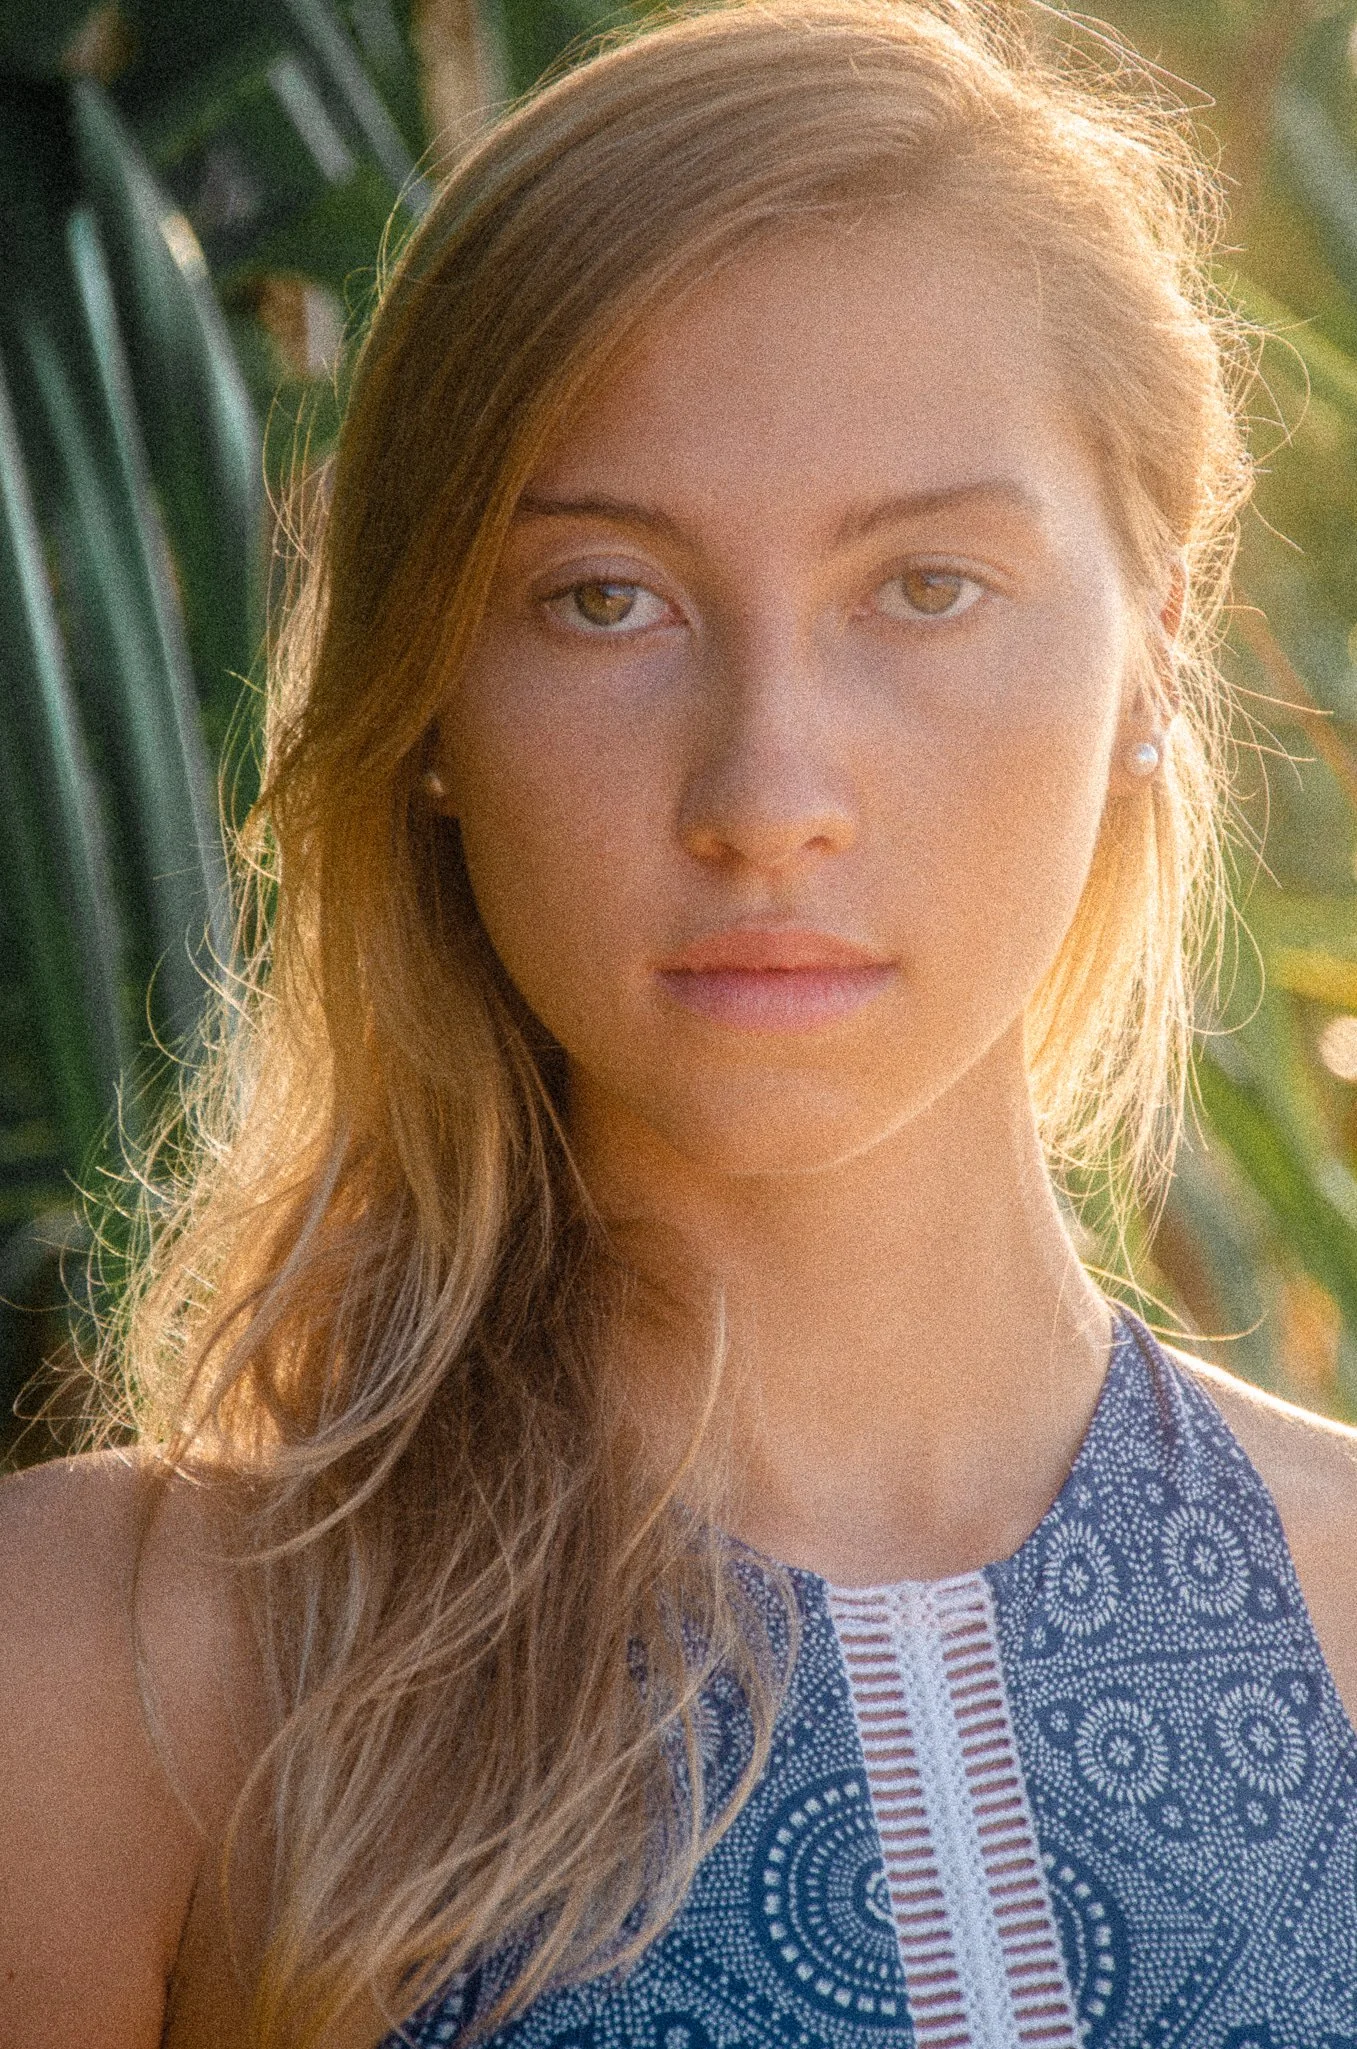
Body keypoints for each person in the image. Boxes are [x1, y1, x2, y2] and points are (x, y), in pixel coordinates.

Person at [4, 2, 1357, 2044]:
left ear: (1156, 640)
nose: (766, 790)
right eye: (604, 597)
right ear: (431, 696)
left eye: (927, 586)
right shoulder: (105, 1684)